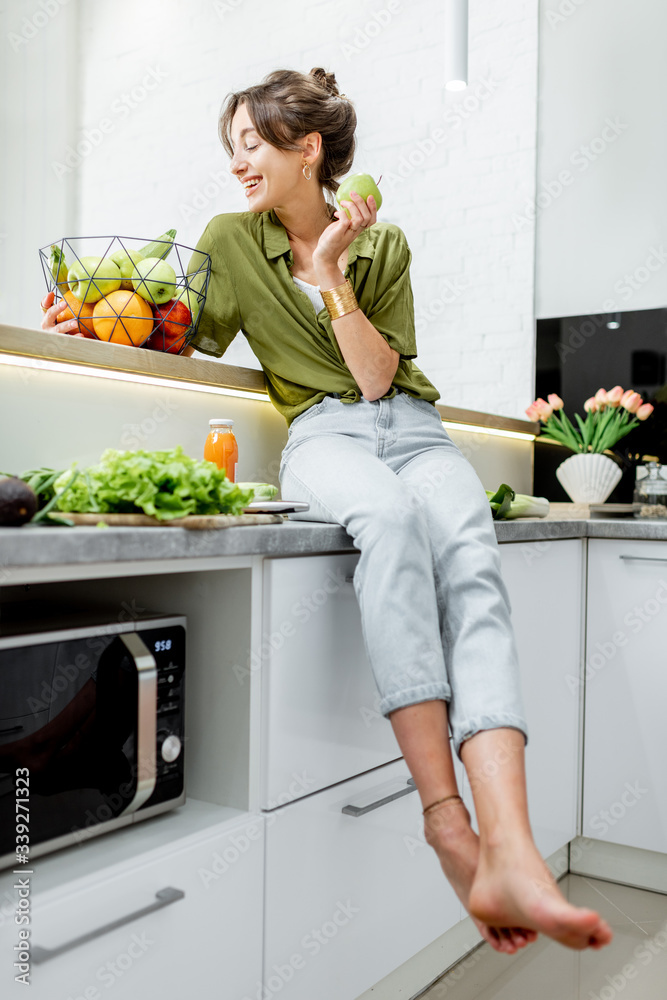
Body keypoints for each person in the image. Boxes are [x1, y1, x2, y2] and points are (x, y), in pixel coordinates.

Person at [41, 67, 613, 955]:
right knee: (385, 522)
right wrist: (87, 322)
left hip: (416, 429)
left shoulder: (384, 248)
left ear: (306, 149)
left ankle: (510, 846)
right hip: (324, 436)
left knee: (467, 551)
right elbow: (178, 340)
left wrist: (331, 272)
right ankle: (446, 823)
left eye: (251, 144)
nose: (237, 163)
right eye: (230, 146)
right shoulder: (229, 240)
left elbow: (380, 376)